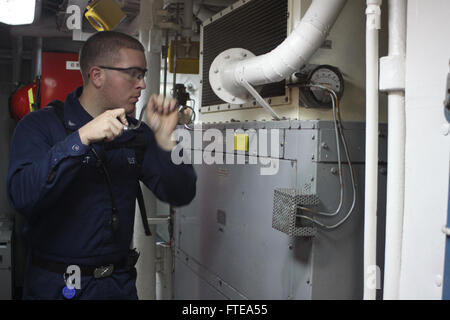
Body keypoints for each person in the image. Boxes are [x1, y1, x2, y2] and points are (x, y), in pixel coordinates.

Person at [7, 31, 197, 300]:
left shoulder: (137, 134)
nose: (142, 84)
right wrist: (81, 139)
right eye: (133, 73)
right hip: (56, 286)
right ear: (97, 76)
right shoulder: (40, 126)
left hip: (117, 286)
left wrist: (165, 140)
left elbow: (181, 192)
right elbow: (21, 196)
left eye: (143, 74)